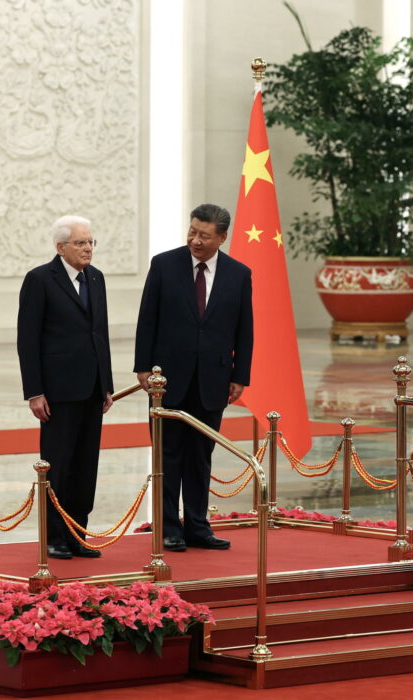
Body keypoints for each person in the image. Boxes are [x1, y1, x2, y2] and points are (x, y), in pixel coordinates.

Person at [134, 203, 253, 552]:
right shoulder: (164, 264)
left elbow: (244, 329)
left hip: (213, 380)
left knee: (201, 456)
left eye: (204, 235)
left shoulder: (238, 273)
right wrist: (143, 366)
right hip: (167, 379)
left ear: (221, 237)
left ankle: (198, 526)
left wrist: (240, 375)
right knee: (168, 455)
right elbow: (147, 319)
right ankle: (169, 527)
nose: (195, 240)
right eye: (192, 231)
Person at [17, 215, 114, 559]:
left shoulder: (97, 278)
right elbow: (27, 340)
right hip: (57, 391)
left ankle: (78, 532)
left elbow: (99, 333)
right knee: (58, 464)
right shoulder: (40, 280)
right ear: (60, 248)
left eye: (90, 242)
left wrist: (107, 383)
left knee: (86, 466)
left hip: (92, 388)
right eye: (80, 243)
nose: (88, 248)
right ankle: (54, 536)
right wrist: (34, 391)